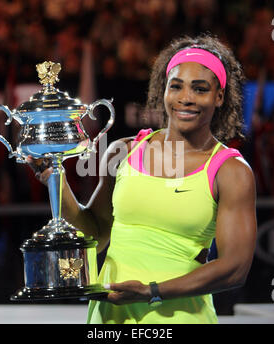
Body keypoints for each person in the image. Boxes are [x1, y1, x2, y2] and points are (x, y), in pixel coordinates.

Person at [28, 34, 257, 324]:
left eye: (200, 89)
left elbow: (234, 268)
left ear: (219, 96)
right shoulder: (121, 151)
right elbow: (96, 235)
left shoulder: (231, 171)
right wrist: (54, 178)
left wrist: (151, 292)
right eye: (176, 86)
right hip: (111, 318)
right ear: (164, 91)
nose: (186, 98)